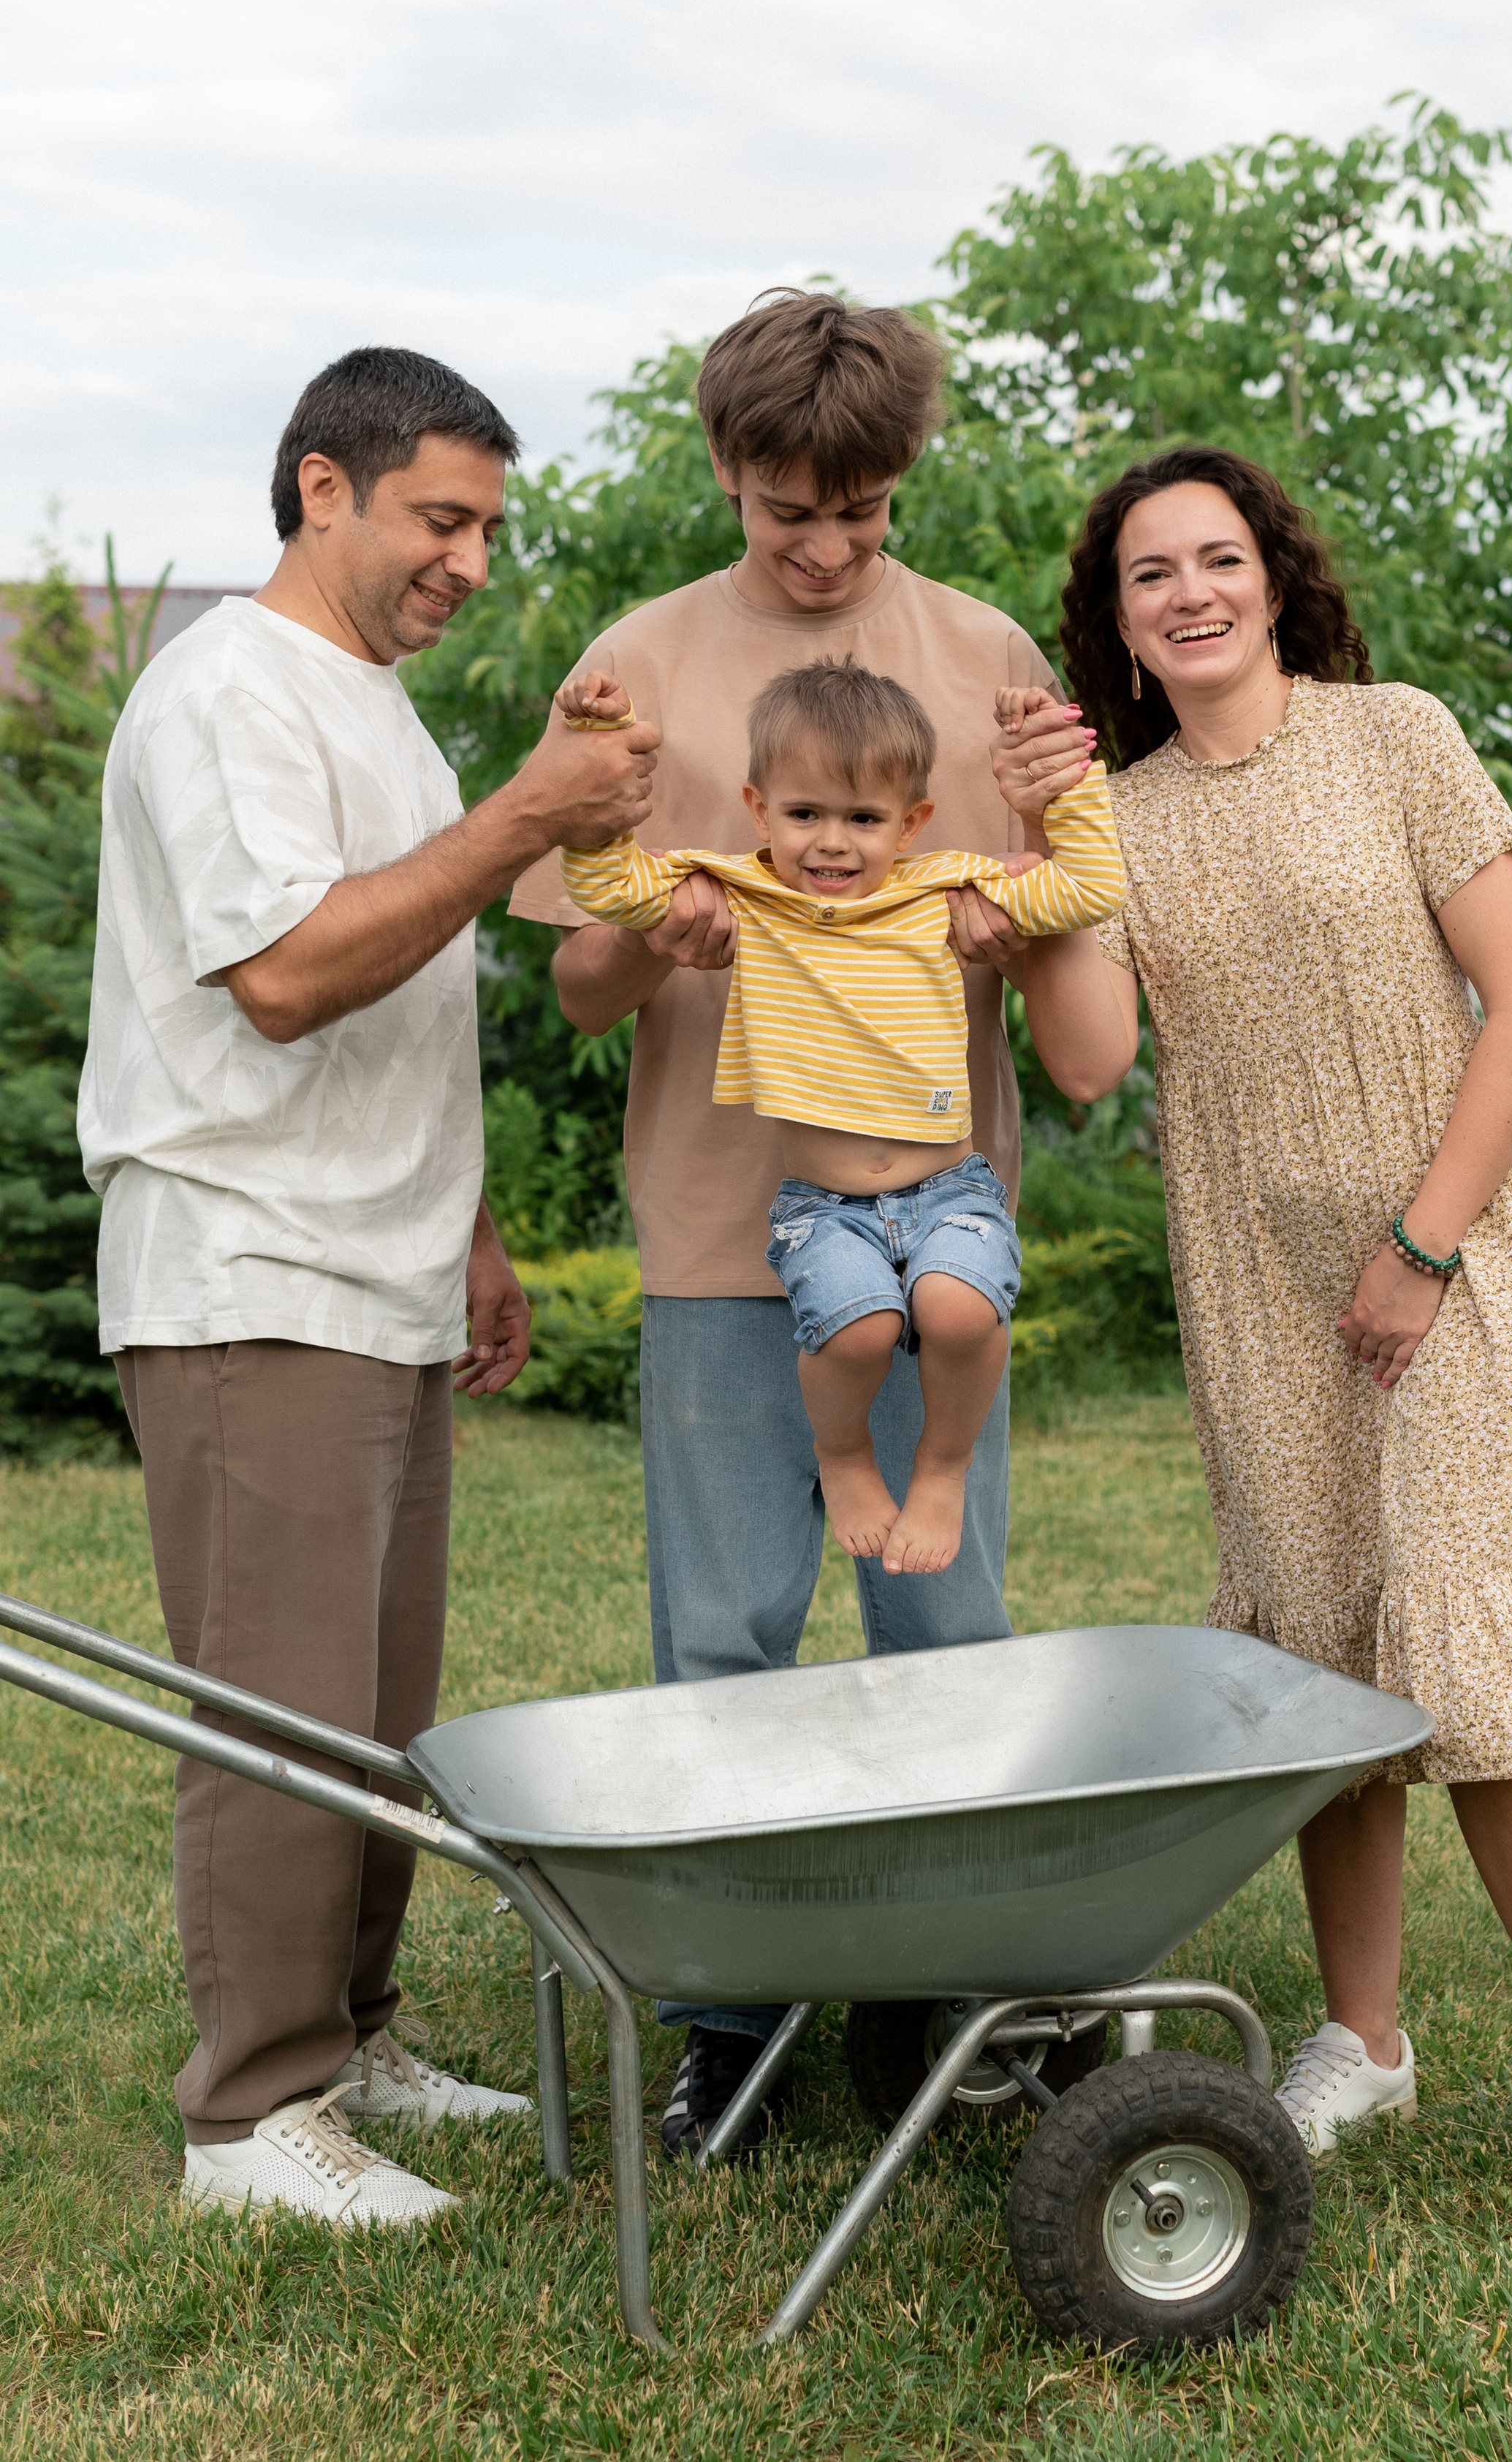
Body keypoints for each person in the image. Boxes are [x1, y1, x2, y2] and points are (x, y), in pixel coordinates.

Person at [987, 444, 1512, 2241]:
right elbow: (1080, 1061)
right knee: (1317, 1643)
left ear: (1272, 577)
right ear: (1116, 623)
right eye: (1151, 574)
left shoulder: (1395, 737)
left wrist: (1418, 1242)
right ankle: (1360, 2034)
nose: (1189, 591)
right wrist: (1044, 845)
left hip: (1452, 1248)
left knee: (1471, 1633)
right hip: (1251, 1277)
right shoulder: (1113, 812)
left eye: (1218, 557)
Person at [77, 346, 655, 2227]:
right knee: (275, 1712)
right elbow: (287, 977)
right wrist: (529, 815)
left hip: (385, 1269)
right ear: (320, 488)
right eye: (440, 516)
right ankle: (251, 2117)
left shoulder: (378, 713)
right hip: (254, 1268)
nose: (471, 560)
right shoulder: (223, 691)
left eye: (487, 524)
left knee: (374, 1707)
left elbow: (405, 995)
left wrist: (472, 1229)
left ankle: (359, 2035)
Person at [504, 288, 1064, 2157]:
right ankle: (728, 2011)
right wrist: (632, 936)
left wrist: (1023, 923)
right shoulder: (636, 669)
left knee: (944, 1620)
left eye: (863, 510)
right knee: (724, 1634)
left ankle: (946, 1998)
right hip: (720, 1239)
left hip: (928, 1237)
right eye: (783, 510)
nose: (824, 548)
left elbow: (1050, 916)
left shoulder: (985, 660)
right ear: (726, 470)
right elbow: (578, 993)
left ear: (902, 480)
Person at [554, 657, 1122, 1568]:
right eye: (804, 813)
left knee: (962, 1310)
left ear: (912, 823)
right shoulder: (745, 891)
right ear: (758, 807)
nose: (831, 843)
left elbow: (1089, 890)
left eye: (863, 819)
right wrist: (593, 746)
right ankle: (844, 1450)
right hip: (822, 1207)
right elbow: (604, 887)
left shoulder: (945, 890)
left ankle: (941, 1470)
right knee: (854, 1330)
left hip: (948, 1188)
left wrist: (1070, 781)